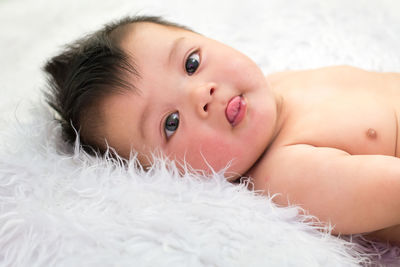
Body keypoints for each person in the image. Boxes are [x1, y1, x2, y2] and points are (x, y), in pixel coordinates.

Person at [44, 16, 400, 244]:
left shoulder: (277, 87)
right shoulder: (288, 173)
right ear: (171, 176)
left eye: (192, 63)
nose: (202, 94)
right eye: (172, 123)